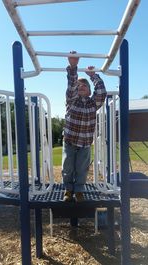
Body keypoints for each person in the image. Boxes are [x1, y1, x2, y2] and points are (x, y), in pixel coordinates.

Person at [62, 51, 106, 202]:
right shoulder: (72, 100)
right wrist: (73, 67)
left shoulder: (94, 104)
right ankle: (68, 190)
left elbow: (101, 93)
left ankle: (79, 190)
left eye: (84, 85)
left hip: (85, 144)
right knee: (67, 168)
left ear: (89, 90)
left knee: (82, 169)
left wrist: (93, 76)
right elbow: (71, 85)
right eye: (78, 85)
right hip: (70, 141)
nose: (80, 86)